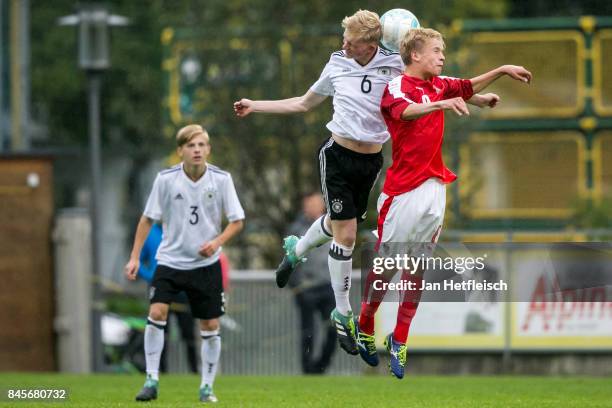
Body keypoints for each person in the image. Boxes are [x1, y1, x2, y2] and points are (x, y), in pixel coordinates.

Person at [234, 10, 490, 356]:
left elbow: (434, 82)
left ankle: (297, 249)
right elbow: (304, 103)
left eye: (350, 42)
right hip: (337, 155)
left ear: (370, 44)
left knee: (339, 222)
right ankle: (343, 312)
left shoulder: (394, 64)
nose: (343, 45)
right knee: (347, 233)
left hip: (371, 161)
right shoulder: (337, 63)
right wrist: (255, 105)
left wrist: (476, 97)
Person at [354, 28, 532, 379]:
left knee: (417, 268)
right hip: (402, 191)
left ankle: (400, 340)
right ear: (415, 55)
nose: (442, 57)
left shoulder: (440, 83)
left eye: (443, 52)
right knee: (388, 265)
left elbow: (467, 86)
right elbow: (404, 113)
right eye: (436, 51)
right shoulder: (396, 87)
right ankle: (365, 322)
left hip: (435, 187)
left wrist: (501, 70)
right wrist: (441, 103)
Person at [124, 124, 245, 403]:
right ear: (180, 151)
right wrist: (134, 257)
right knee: (156, 313)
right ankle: (151, 380)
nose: (197, 150)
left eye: (202, 145)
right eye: (191, 146)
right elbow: (147, 219)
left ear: (208, 149)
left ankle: (206, 387)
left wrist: (216, 243)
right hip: (170, 262)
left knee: (210, 325)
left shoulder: (221, 179)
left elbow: (237, 221)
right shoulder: (165, 180)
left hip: (206, 265)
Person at [138, 222, 198, 374]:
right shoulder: (151, 233)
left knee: (188, 332)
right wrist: (151, 277)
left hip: (183, 292)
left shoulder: (185, 229)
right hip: (161, 289)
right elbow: (137, 260)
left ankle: (195, 371)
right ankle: (159, 371)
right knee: (160, 330)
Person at [287, 192, 336, 374]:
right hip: (305, 288)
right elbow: (289, 259)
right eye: (310, 204)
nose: (313, 207)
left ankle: (321, 366)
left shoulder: (333, 225)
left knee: (334, 329)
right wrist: (296, 286)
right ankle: (307, 369)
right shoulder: (297, 229)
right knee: (308, 331)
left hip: (327, 286)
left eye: (317, 203)